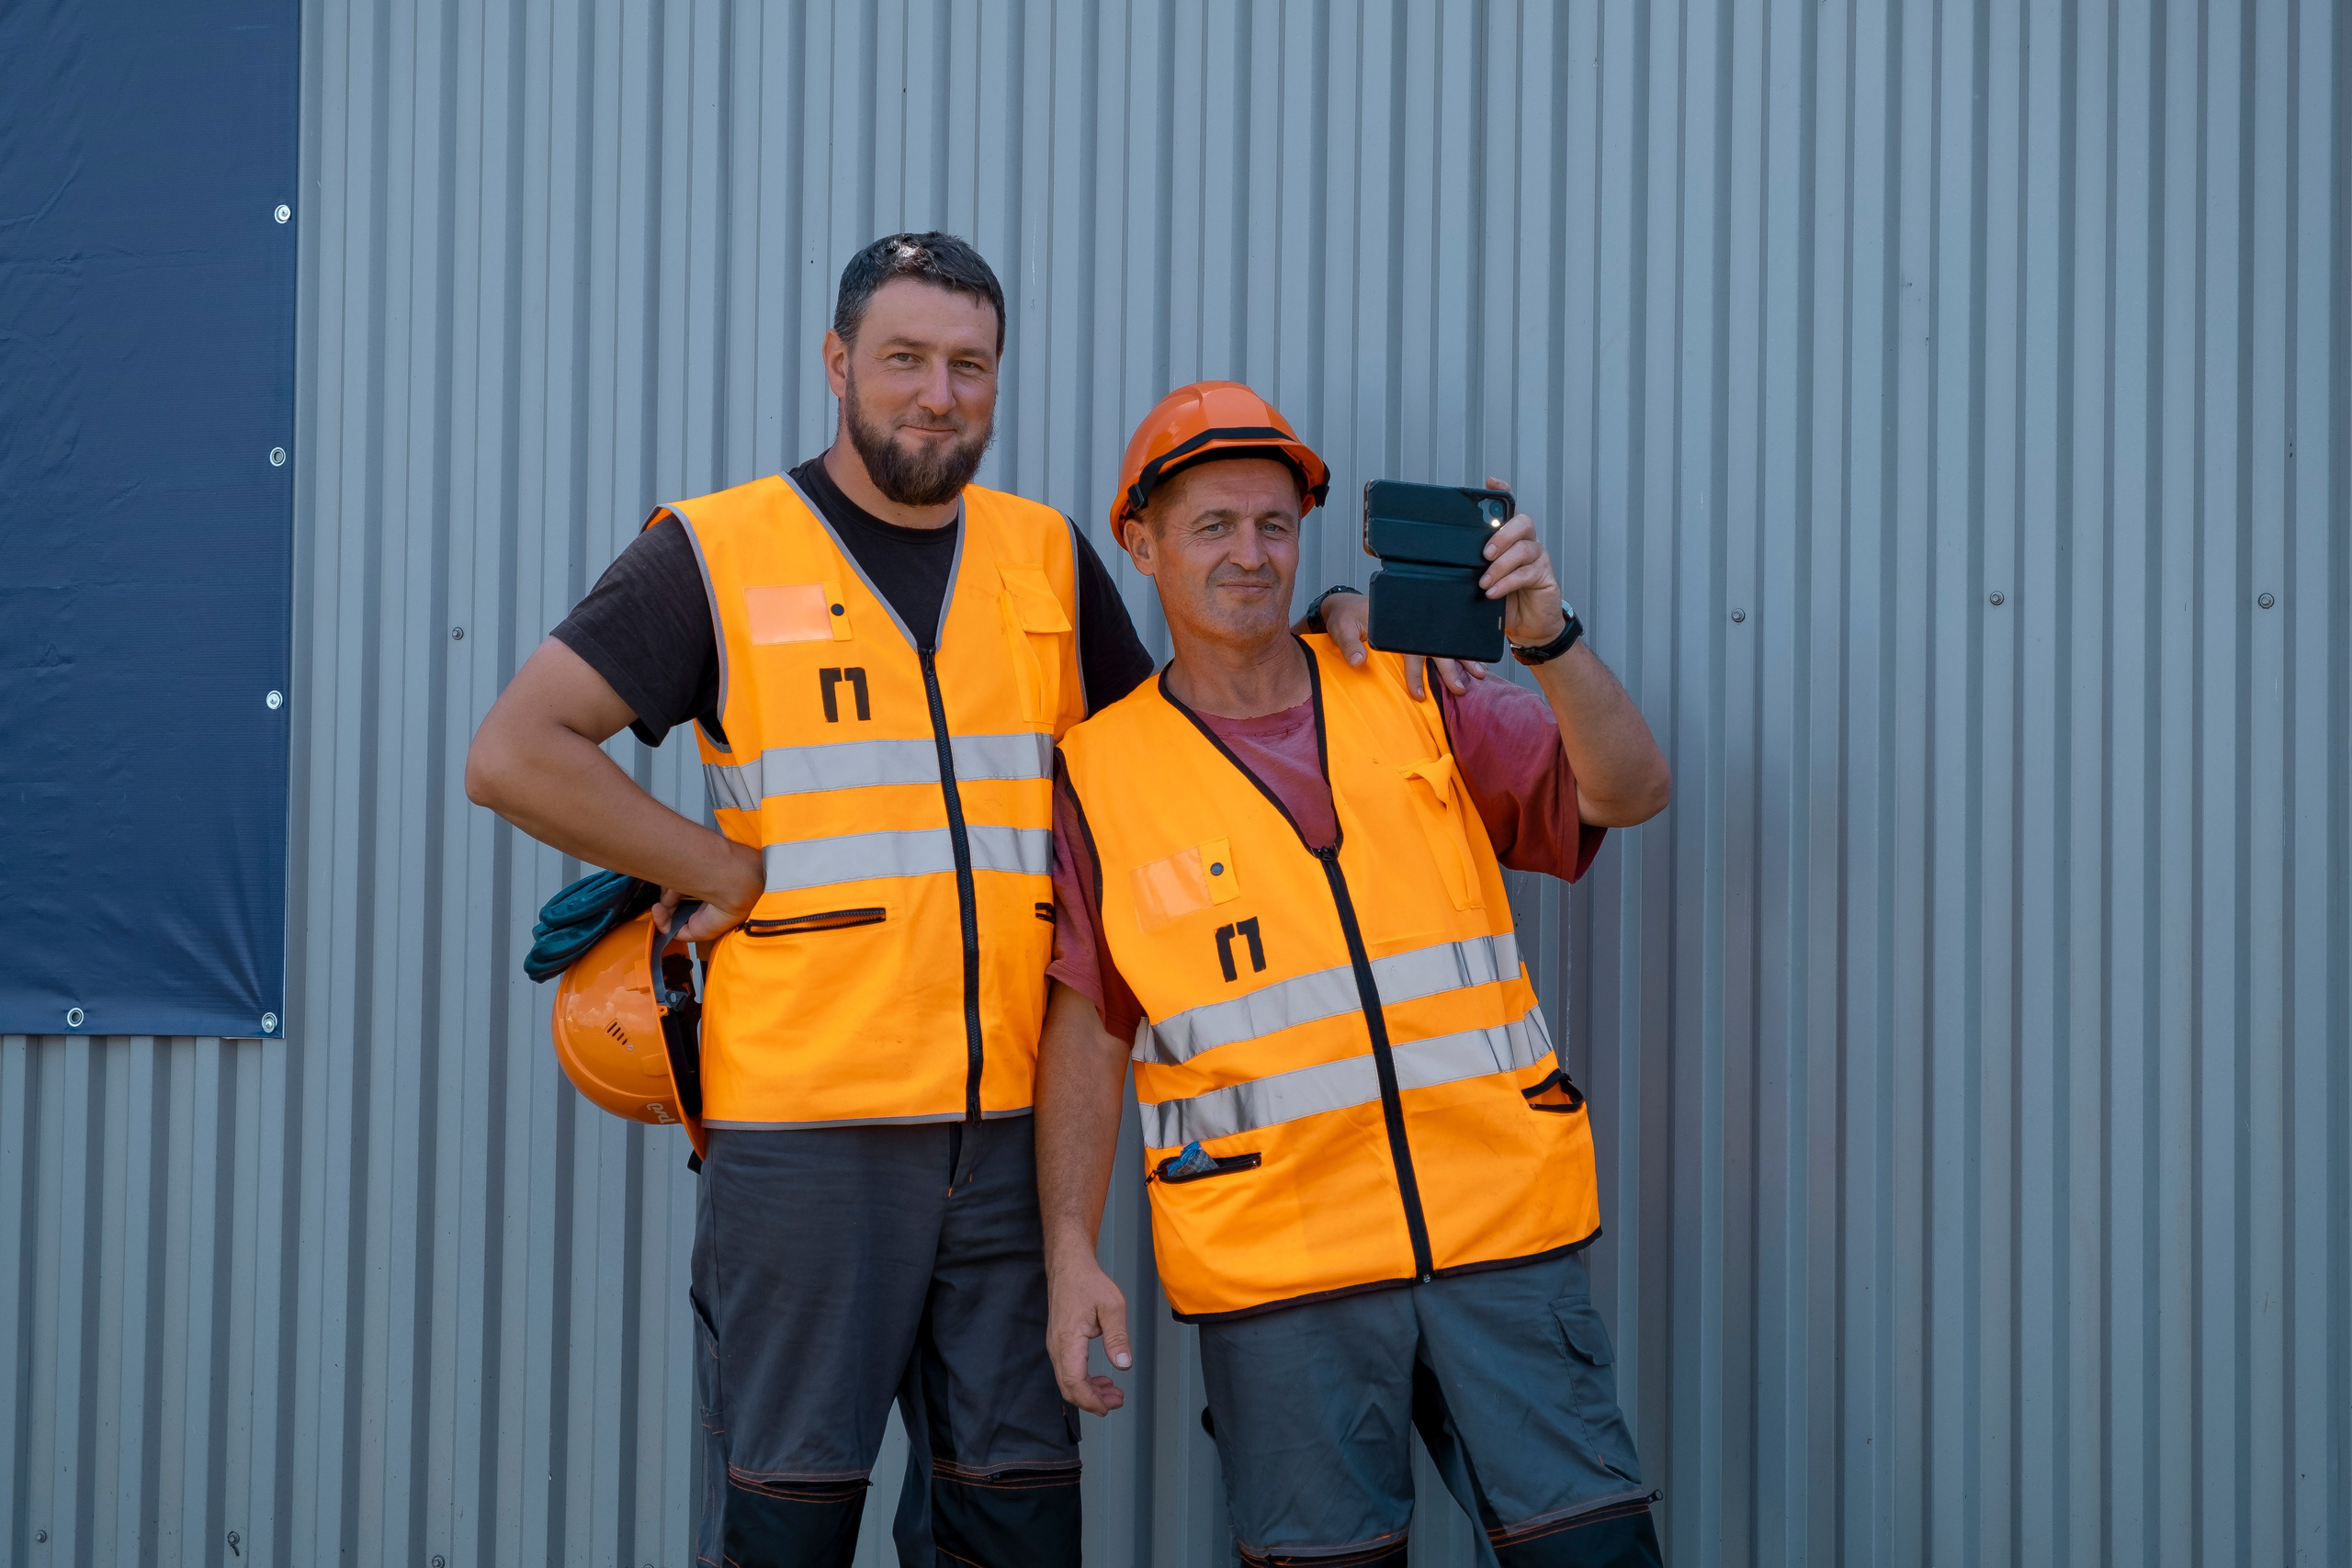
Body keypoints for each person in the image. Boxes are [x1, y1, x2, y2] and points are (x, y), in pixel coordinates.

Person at [465, 243, 1401, 1568]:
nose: (937, 394)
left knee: (1013, 1524)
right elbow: (516, 752)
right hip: (804, 1139)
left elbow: (1172, 742)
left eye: (969, 365)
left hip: (1015, 1145)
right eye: (904, 358)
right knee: (787, 1525)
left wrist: (1321, 635)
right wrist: (715, 866)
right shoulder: (715, 550)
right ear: (839, 364)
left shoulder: (1044, 557)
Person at [1036, 382, 1674, 1566]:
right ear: (1141, 542)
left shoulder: (1417, 688)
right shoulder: (1099, 774)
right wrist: (1070, 1252)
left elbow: (1629, 792)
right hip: (1282, 1276)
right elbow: (1091, 1025)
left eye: (1274, 526)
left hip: (1503, 1242)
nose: (1249, 555)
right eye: (1211, 526)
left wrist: (1544, 632)